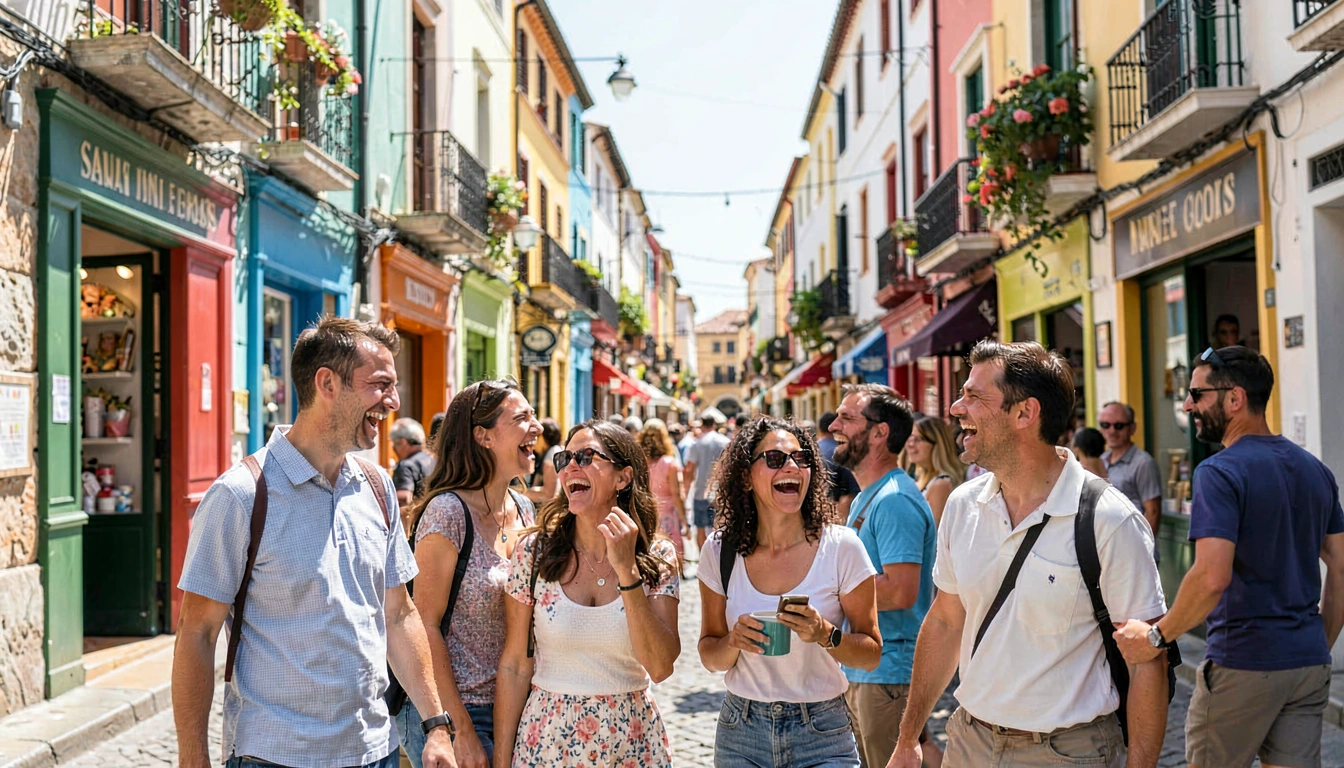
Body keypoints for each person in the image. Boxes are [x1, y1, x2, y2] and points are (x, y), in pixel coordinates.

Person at [173, 317, 455, 768]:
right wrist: (193, 756)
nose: (394, 402)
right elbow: (197, 633)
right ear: (327, 383)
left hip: (374, 751)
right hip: (274, 755)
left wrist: (435, 725)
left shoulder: (377, 486)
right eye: (380, 384)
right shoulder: (241, 495)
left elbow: (399, 613)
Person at [890, 340, 1169, 768]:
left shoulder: (1110, 520)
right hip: (969, 743)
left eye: (974, 396)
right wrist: (909, 737)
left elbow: (1148, 661)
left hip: (1069, 753)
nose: (956, 408)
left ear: (1025, 414)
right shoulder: (963, 507)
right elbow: (946, 621)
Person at [1112, 346, 1344, 768]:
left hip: (1244, 660)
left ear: (1234, 399)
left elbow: (1210, 577)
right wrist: (1317, 643)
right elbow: (1342, 566)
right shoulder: (1316, 470)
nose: (1187, 405)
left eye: (1197, 395)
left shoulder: (1219, 472)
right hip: (1307, 662)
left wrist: (1154, 637)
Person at [494, 420, 681, 767]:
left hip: (631, 741)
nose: (570, 467)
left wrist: (628, 571)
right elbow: (516, 665)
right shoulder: (533, 552)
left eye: (586, 456)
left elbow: (660, 665)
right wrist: (502, 761)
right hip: (548, 739)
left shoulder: (657, 557)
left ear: (622, 478)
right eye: (566, 458)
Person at [697, 417, 881, 767]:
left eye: (802, 458)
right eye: (776, 459)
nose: (793, 466)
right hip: (742, 732)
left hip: (823, 732)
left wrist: (825, 634)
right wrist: (734, 641)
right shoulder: (720, 550)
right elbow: (709, 654)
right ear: (746, 477)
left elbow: (871, 654)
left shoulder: (842, 547)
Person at [395, 380, 542, 768]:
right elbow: (423, 625)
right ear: (483, 436)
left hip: (517, 704)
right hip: (457, 708)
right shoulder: (449, 513)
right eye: (522, 417)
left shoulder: (526, 509)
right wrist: (457, 729)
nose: (538, 426)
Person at [829, 387, 941, 768]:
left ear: (879, 433)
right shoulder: (869, 495)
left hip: (889, 671)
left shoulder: (894, 499)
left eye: (847, 418)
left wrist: (829, 586)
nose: (834, 425)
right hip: (868, 667)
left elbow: (901, 591)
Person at [1098, 401, 1162, 546]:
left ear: (1132, 428)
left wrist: (1142, 550)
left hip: (1135, 552)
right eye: (1105, 425)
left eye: (1119, 426)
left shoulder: (1142, 463)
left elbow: (1153, 512)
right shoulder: (1101, 460)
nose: (1112, 431)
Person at [641, 418, 690, 578]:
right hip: (668, 516)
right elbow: (677, 495)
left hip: (646, 513)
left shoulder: (640, 463)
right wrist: (685, 522)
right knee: (672, 560)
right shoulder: (670, 464)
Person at [903, 416, 965, 528]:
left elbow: (934, 535)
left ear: (938, 444)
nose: (910, 445)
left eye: (919, 439)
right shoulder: (920, 479)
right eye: (910, 438)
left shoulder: (941, 485)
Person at [685, 413, 730, 551]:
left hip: (700, 491)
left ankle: (703, 560)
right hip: (719, 492)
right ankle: (717, 561)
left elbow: (690, 469)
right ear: (714, 425)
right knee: (717, 528)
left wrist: (686, 491)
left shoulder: (697, 443)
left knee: (699, 528)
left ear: (703, 425)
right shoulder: (724, 442)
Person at [392, 417, 435, 520]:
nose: (394, 450)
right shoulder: (433, 460)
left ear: (403, 441)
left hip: (415, 523)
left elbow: (404, 499)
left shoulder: (406, 465)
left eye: (395, 444)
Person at [526, 418, 563, 503]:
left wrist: (521, 494)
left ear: (543, 437)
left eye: (536, 435)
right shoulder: (553, 452)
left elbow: (549, 495)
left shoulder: (552, 454)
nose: (533, 440)